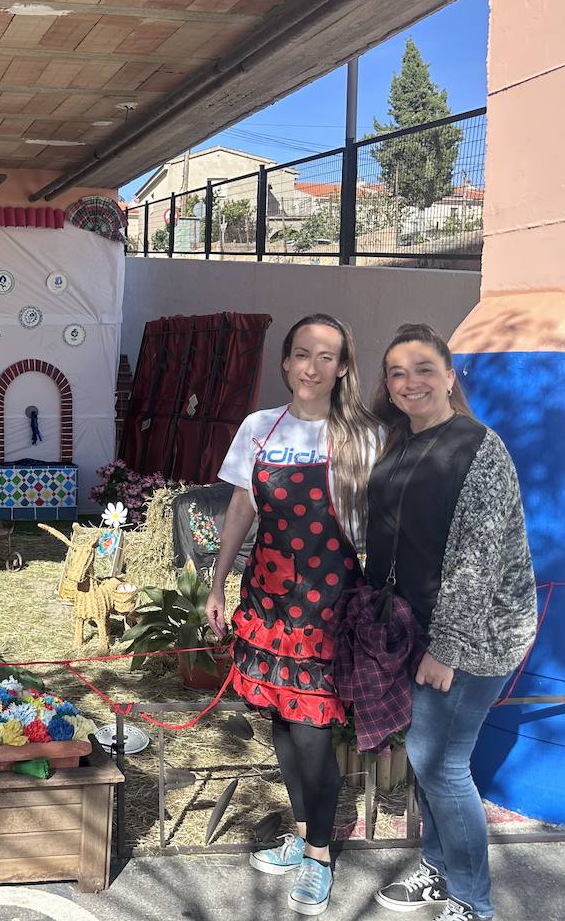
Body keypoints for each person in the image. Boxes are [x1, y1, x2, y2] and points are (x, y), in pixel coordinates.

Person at [207, 314, 381, 916]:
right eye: (302, 354)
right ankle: (305, 833)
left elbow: (381, 523)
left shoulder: (361, 436)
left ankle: (321, 856)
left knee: (312, 731)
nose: (312, 366)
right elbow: (239, 507)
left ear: (342, 368)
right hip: (268, 599)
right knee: (282, 722)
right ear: (285, 362)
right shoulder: (260, 427)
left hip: (328, 608)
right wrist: (218, 580)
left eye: (326, 357)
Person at [365, 324, 537, 921]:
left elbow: (478, 561)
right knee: (426, 756)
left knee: (442, 763)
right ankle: (441, 871)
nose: (410, 382)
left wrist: (448, 648)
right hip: (418, 628)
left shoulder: (477, 447)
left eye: (422, 368)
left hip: (472, 637)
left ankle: (473, 901)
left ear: (449, 375)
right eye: (396, 372)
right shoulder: (402, 441)